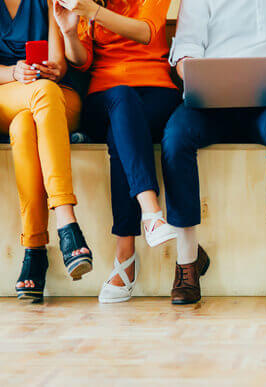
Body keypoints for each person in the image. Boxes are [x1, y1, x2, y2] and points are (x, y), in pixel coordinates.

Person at [162, 0, 266, 305]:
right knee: (174, 138)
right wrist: (195, 71)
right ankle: (187, 261)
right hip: (210, 103)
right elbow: (186, 45)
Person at [0, 0, 92, 303]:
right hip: (1, 92)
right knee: (36, 100)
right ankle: (67, 223)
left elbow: (59, 66)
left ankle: (34, 250)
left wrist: (49, 69)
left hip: (56, 95)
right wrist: (15, 72)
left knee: (25, 124)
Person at [56, 0, 180, 303]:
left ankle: (125, 255)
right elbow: (81, 61)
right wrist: (70, 33)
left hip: (156, 91)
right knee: (122, 102)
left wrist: (94, 13)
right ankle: (150, 212)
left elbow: (147, 32)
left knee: (120, 134)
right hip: (105, 95)